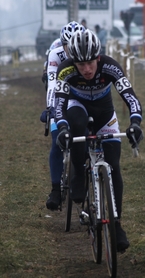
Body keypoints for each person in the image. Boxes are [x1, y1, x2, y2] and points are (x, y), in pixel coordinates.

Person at [54, 29, 143, 252]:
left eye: (90, 63)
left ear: (98, 57)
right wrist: (62, 128)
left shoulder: (110, 66)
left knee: (113, 166)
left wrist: (134, 123)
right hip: (77, 108)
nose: (86, 69)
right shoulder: (65, 70)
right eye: (80, 64)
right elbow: (58, 105)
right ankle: (78, 174)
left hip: (105, 114)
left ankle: (117, 225)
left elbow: (130, 96)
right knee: (76, 121)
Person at [40, 21, 86, 211]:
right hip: (59, 92)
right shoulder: (55, 54)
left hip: (81, 94)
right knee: (56, 140)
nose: (72, 49)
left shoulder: (87, 50)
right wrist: (51, 109)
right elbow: (52, 85)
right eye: (68, 45)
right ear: (62, 44)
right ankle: (55, 190)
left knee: (86, 133)